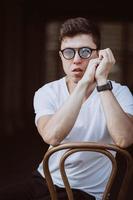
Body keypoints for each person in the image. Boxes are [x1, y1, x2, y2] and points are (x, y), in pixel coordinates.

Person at [0, 17, 133, 200]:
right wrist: (85, 82)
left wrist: (101, 81)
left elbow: (124, 139)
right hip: (44, 180)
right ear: (61, 56)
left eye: (85, 51)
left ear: (99, 55)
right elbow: (52, 136)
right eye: (69, 52)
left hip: (87, 192)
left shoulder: (119, 93)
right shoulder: (47, 92)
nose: (76, 59)